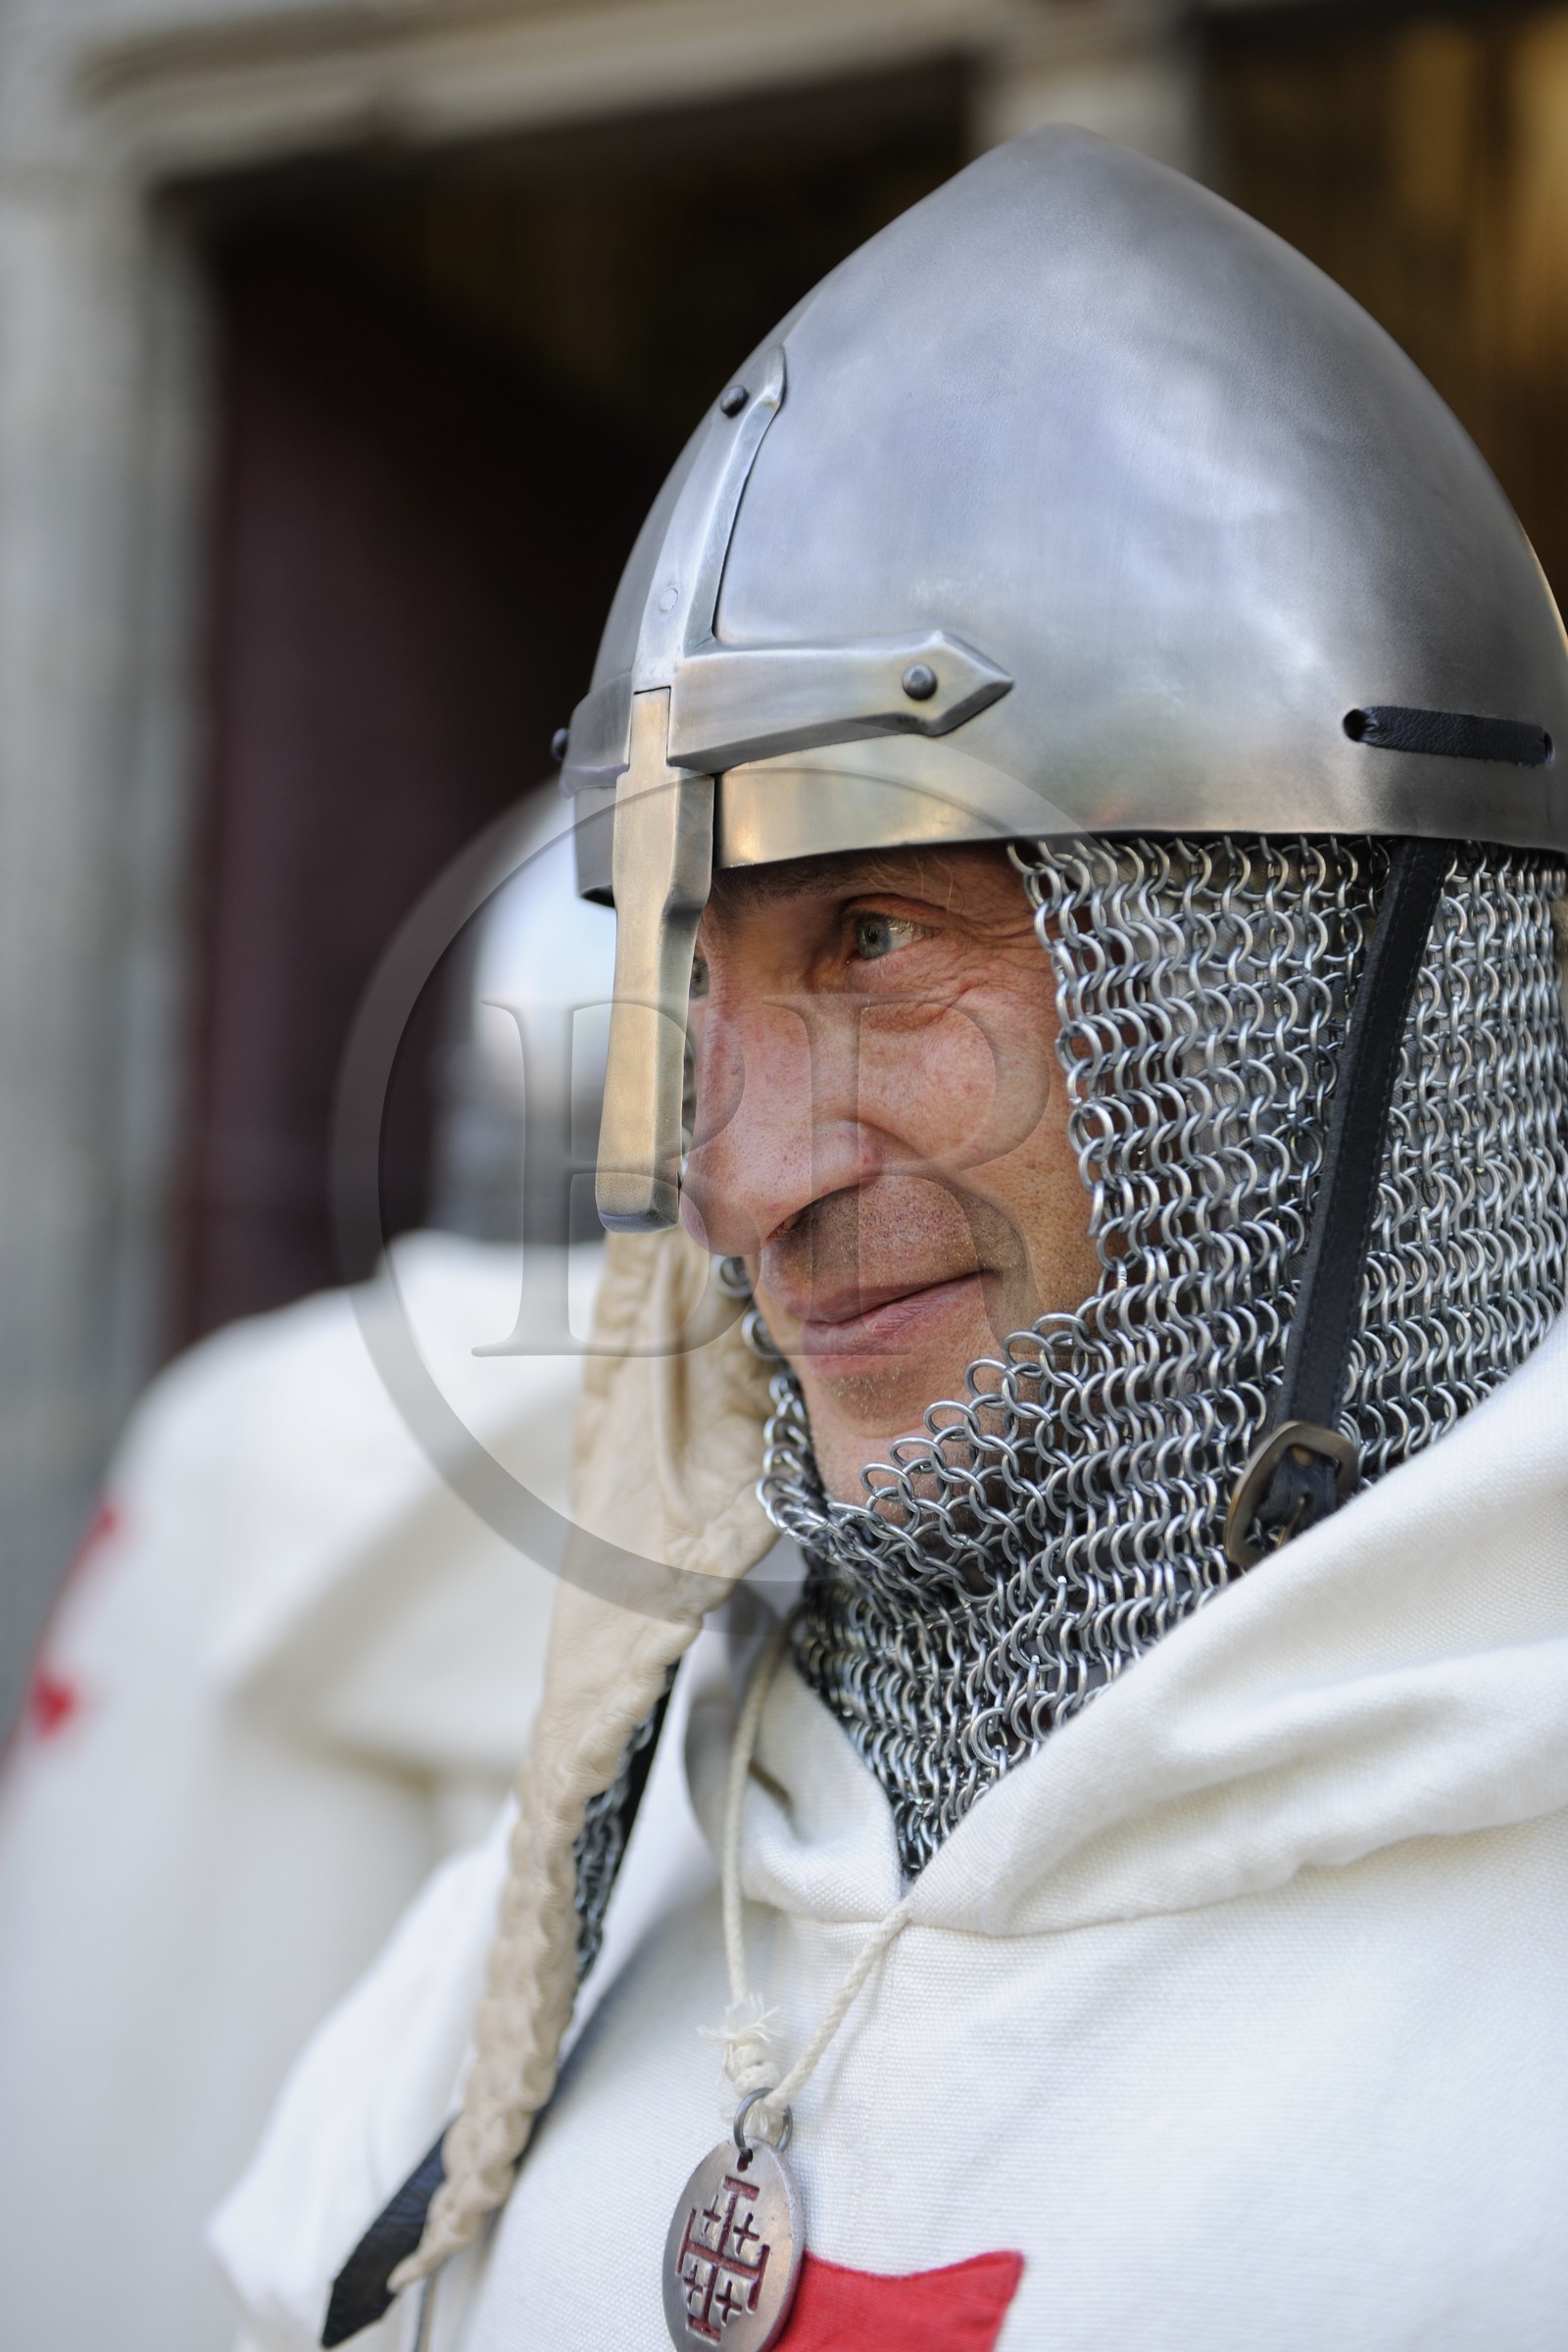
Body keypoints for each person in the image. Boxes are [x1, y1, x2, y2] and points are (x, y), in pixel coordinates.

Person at [216, 126, 1568, 2352]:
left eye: (873, 936)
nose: (743, 1187)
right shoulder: (606, 1868)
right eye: (705, 989)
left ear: (1334, 1003)